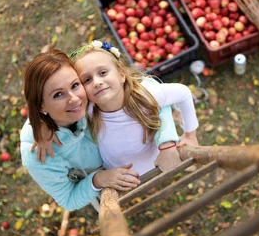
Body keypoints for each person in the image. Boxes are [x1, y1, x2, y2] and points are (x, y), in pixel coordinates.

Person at [20, 49, 180, 212]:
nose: (74, 99)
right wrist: (99, 180)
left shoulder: (93, 94)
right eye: (58, 95)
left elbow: (153, 97)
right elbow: (68, 199)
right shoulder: (39, 154)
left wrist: (167, 141)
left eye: (75, 85)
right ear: (41, 106)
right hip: (100, 182)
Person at [69, 40, 199, 175]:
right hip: (117, 169)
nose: (97, 82)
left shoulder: (144, 96)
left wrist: (190, 135)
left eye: (103, 73)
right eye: (87, 80)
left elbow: (184, 93)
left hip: (154, 163)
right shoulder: (89, 109)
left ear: (121, 74)